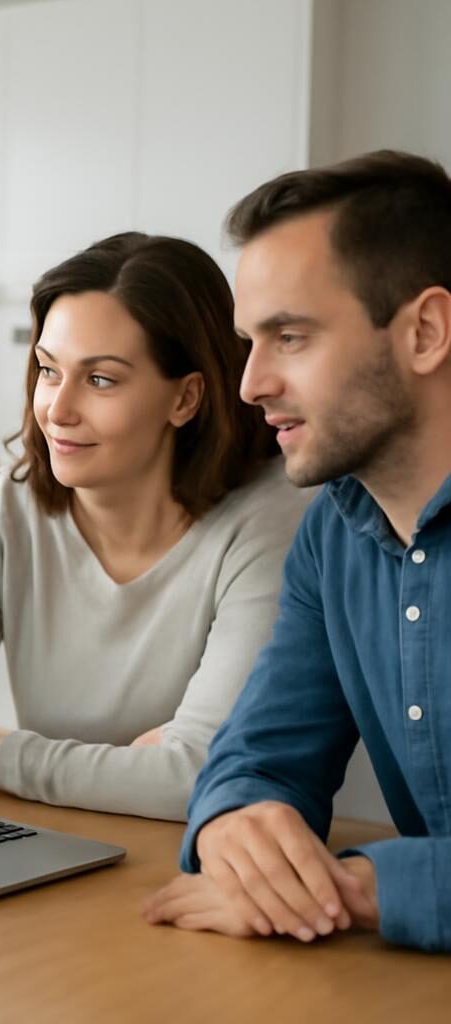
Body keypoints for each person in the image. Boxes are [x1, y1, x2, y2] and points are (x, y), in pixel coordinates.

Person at [143, 150, 451, 953]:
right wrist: (239, 829)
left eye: (290, 337)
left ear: (425, 332)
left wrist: (360, 889)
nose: (249, 384)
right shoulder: (333, 532)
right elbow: (261, 754)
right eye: (252, 340)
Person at [0, 232, 311, 820]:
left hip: (201, 857)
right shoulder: (5, 509)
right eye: (49, 370)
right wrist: (134, 770)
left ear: (185, 398)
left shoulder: (269, 520)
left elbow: (199, 776)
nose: (58, 408)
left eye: (100, 379)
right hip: (56, 839)